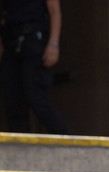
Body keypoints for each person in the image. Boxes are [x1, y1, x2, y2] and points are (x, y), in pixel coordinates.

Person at [0, 0, 65, 134]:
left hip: (33, 40)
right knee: (12, 101)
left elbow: (54, 11)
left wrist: (53, 44)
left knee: (36, 96)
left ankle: (64, 139)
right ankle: (18, 144)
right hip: (10, 43)